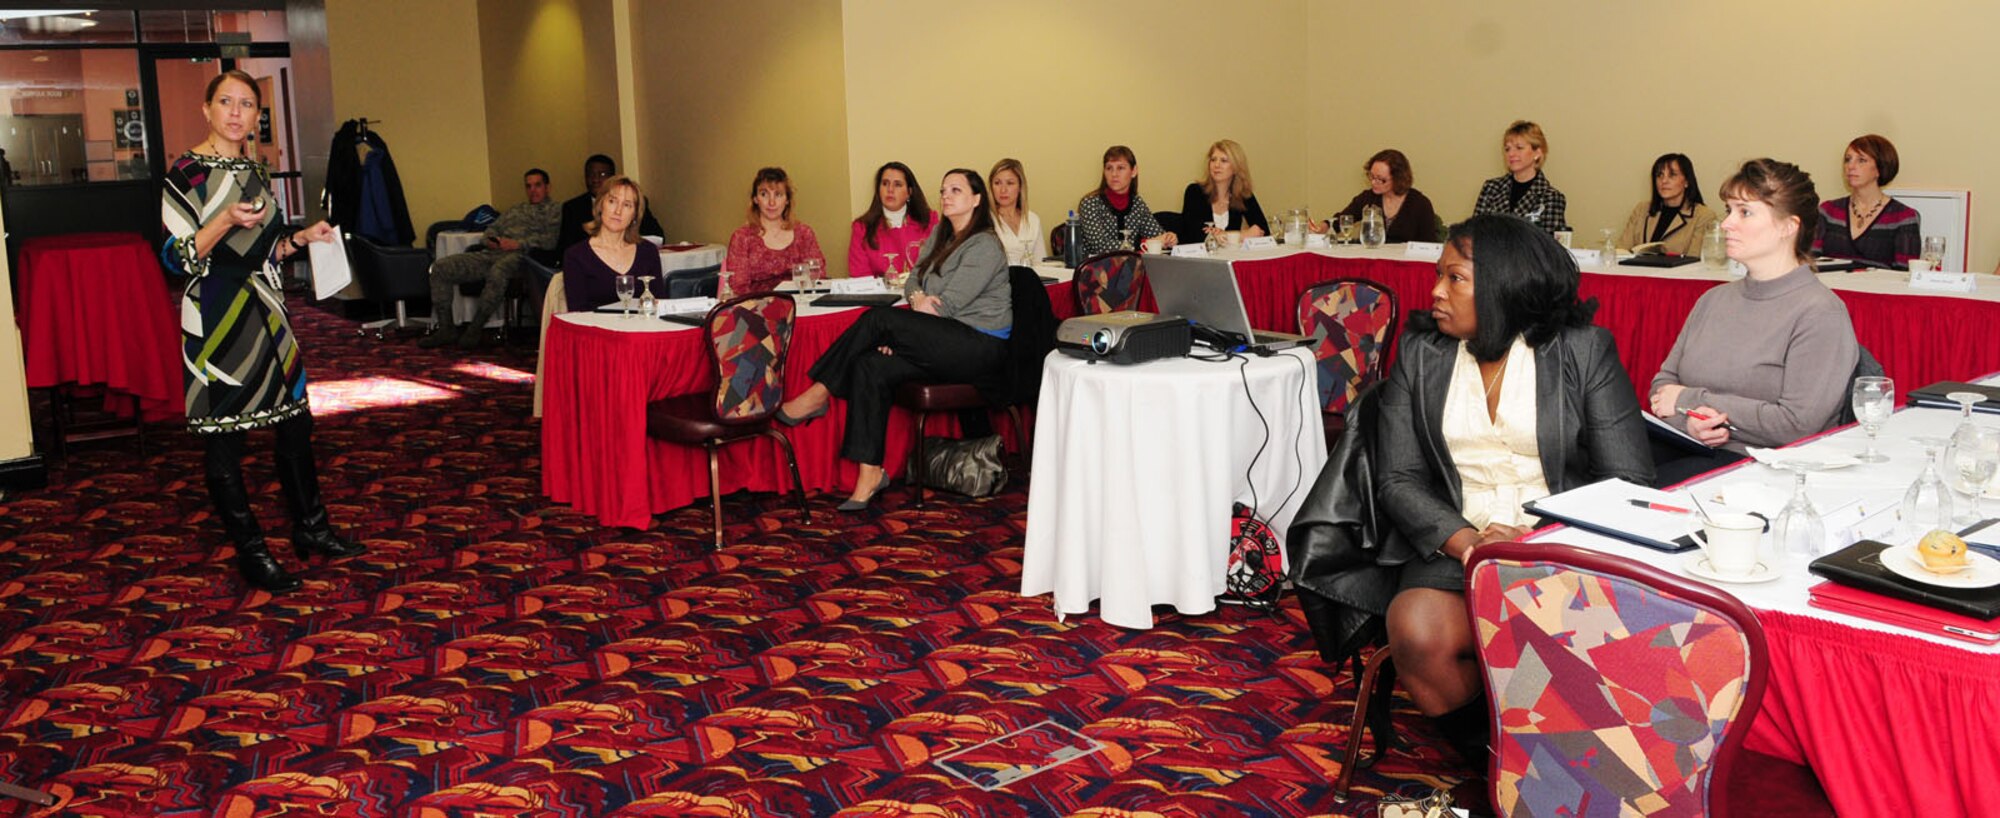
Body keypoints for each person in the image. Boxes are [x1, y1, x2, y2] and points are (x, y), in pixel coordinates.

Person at [1375, 213, 1652, 772]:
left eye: (1455, 278)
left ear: (1503, 285)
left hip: (1559, 543)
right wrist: (1470, 543)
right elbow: (1397, 478)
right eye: (1438, 275)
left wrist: (1535, 535)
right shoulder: (1422, 355)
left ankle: (1573, 766)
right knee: (1417, 628)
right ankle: (1509, 770)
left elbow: (1630, 483)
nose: (1435, 291)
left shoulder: (1582, 350)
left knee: (1559, 629)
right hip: (1458, 542)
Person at [161, 70, 366, 593]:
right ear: (206, 109)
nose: (235, 112)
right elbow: (177, 258)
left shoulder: (258, 170)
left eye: (246, 104)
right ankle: (251, 552)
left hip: (268, 312)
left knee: (296, 425)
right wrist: (225, 220)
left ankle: (311, 530)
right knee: (223, 440)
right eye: (225, 102)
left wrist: (303, 238)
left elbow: (267, 251)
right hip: (214, 315)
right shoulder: (185, 172)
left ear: (257, 115)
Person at [776, 169, 1011, 512]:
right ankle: (870, 474)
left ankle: (820, 391)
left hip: (979, 346)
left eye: (956, 190)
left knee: (879, 318)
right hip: (942, 338)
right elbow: (913, 280)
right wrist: (916, 301)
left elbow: (950, 304)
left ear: (976, 199)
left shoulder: (985, 244)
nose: (946, 195)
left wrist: (906, 327)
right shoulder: (940, 234)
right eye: (944, 189)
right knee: (871, 365)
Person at [1650, 159, 1861, 484]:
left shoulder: (1820, 312)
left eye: (1744, 212)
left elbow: (1796, 424)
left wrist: (1693, 401)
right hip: (1693, 450)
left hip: (1766, 473)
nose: (1726, 224)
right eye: (1728, 210)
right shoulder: (1712, 300)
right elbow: (1663, 388)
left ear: (1788, 226)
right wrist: (1691, 422)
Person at [419, 168, 561, 349]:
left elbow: (551, 241)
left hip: (523, 257)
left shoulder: (556, 211)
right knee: (440, 268)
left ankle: (475, 329)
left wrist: (517, 244)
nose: (533, 190)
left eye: (537, 185)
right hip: (492, 253)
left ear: (547, 187)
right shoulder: (516, 210)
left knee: (498, 271)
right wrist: (491, 240)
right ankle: (446, 328)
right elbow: (491, 230)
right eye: (529, 186)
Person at [1813, 134, 1920, 269]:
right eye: (1848, 159)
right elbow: (1811, 262)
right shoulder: (1828, 211)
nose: (1850, 166)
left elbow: (1905, 273)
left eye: (1861, 160)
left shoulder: (1903, 217)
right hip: (1831, 288)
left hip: (1879, 289)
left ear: (1879, 169)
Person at [562, 175, 663, 312]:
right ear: (600, 206)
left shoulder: (648, 252)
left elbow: (660, 304)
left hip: (641, 331)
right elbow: (577, 313)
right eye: (612, 201)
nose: (618, 211)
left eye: (627, 205)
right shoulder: (576, 256)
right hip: (595, 331)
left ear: (634, 215)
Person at [723, 166, 826, 295]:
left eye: (778, 195)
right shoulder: (742, 237)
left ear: (787, 200)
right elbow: (739, 288)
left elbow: (818, 277)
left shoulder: (804, 233)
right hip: (757, 308)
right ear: (755, 199)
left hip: (801, 304)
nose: (771, 202)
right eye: (764, 194)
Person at [1077, 145, 1176, 257]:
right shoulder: (1090, 203)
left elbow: (1156, 235)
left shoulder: (1137, 203)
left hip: (1129, 268)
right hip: (1095, 268)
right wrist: (1141, 244)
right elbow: (1099, 245)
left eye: (1120, 168)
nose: (1114, 174)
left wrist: (1168, 238)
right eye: (1109, 168)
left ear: (1133, 171)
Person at [1471, 121, 1568, 234]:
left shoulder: (1551, 198)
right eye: (1507, 149)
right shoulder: (1491, 188)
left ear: (1537, 153)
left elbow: (1549, 246)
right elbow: (1474, 234)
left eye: (1519, 148)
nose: (1511, 154)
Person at [557, 153, 663, 254]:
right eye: (590, 174)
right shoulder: (572, 207)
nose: (595, 179)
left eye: (602, 174)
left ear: (612, 178)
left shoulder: (634, 201)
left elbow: (657, 236)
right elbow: (565, 247)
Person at [1326, 149, 1439, 244]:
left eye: (1381, 179)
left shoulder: (1420, 203)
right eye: (1371, 176)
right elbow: (1343, 220)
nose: (1374, 183)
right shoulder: (1368, 198)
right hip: (1371, 263)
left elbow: (1429, 244)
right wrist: (1324, 226)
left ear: (1398, 178)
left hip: (1406, 266)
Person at [847, 161, 938, 278]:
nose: (890, 189)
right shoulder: (862, 227)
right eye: (885, 183)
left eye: (897, 185)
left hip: (921, 292)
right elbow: (859, 274)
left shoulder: (929, 221)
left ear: (909, 192)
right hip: (879, 294)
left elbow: (937, 267)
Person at [1617, 153, 1717, 256]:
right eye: (1660, 175)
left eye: (1672, 175)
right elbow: (1622, 250)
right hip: (1635, 271)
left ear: (1687, 181)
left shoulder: (1703, 216)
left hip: (1678, 272)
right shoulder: (1642, 209)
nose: (1664, 181)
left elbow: (1695, 260)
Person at [1175, 139, 1268, 245]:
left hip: (1231, 257)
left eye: (1224, 161)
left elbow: (1262, 231)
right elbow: (1193, 234)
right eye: (1213, 160)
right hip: (1202, 259)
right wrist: (1242, 235)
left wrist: (1225, 235)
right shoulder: (1195, 192)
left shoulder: (1243, 195)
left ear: (1236, 167)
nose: (1216, 165)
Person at [989, 158, 1044, 265]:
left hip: (1030, 278)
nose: (1003, 190)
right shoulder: (986, 220)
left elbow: (1040, 260)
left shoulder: (1033, 219)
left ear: (1020, 187)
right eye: (997, 183)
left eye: (1010, 183)